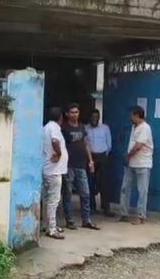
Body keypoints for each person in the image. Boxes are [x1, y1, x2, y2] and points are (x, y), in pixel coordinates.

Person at [61, 103, 100, 231]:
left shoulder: (82, 127)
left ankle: (86, 220)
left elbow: (86, 144)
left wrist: (90, 160)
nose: (74, 114)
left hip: (81, 164)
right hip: (68, 165)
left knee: (85, 193)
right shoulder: (64, 128)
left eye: (76, 112)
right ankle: (69, 220)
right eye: (72, 112)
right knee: (68, 194)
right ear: (67, 114)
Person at [119, 106, 153, 225]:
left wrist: (128, 156)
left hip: (142, 163)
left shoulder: (145, 128)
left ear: (137, 116)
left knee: (142, 191)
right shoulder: (134, 127)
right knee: (125, 188)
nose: (131, 118)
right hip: (131, 163)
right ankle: (123, 213)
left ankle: (141, 216)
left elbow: (138, 146)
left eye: (132, 115)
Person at [40, 107, 68, 240]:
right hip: (54, 171)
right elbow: (55, 141)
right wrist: (59, 153)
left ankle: (47, 225)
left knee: (46, 199)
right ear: (60, 117)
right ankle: (51, 229)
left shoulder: (46, 127)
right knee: (53, 200)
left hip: (47, 169)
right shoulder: (55, 127)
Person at [86, 109, 113, 216]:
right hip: (90, 157)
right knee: (90, 183)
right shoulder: (85, 129)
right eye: (92, 117)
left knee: (104, 183)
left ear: (99, 117)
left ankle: (106, 208)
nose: (94, 119)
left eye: (96, 117)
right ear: (89, 118)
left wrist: (104, 155)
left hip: (102, 156)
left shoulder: (105, 128)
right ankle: (92, 207)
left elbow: (109, 144)